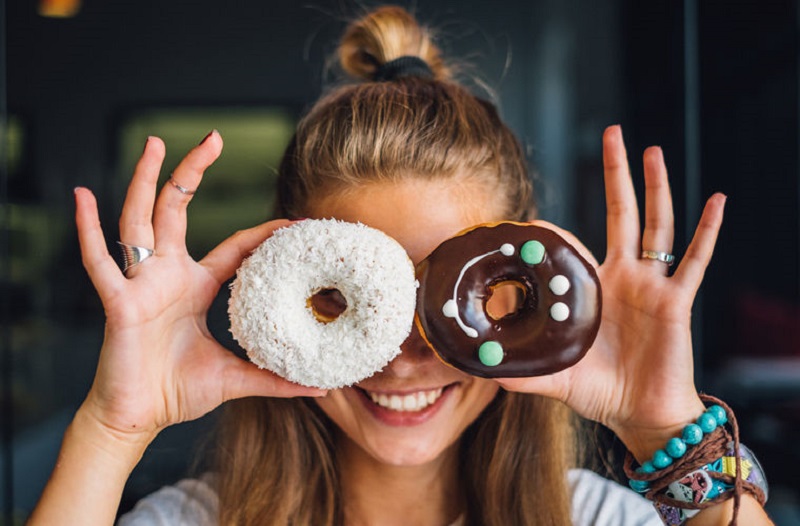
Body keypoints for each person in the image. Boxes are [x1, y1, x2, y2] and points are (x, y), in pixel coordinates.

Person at [29, 6, 772, 526]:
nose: (405, 355)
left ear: (528, 304)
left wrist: (664, 432)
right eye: (349, 302)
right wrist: (114, 429)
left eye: (453, 294)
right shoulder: (187, 522)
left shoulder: (603, 519)